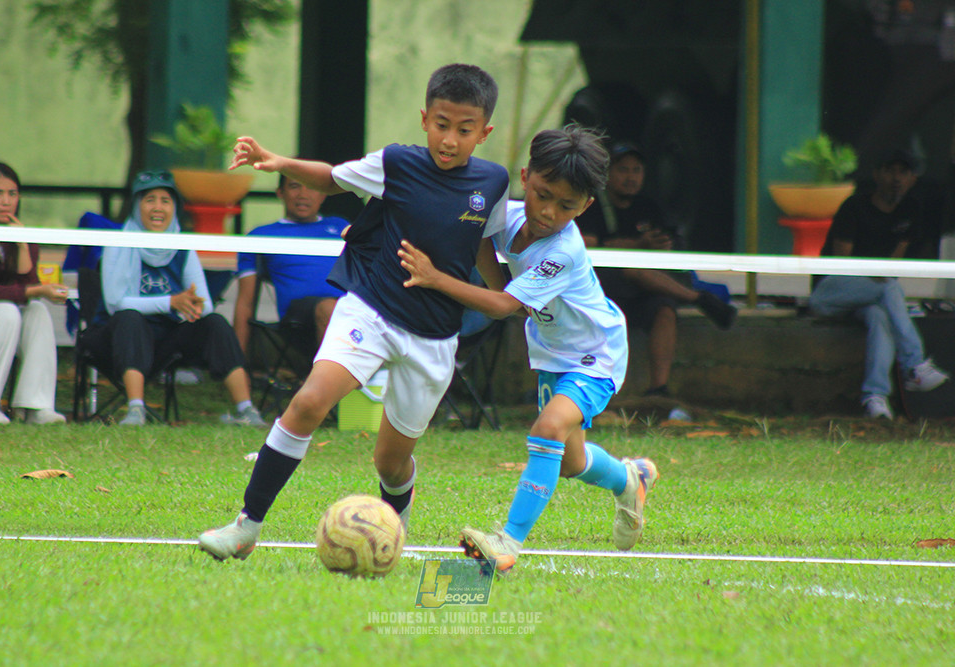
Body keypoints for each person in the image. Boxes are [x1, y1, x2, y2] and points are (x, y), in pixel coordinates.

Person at [198, 63, 510, 561]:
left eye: (465, 129)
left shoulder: (493, 182)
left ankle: (392, 535)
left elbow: (483, 247)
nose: (450, 139)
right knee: (308, 403)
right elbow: (332, 177)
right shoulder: (398, 164)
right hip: (371, 309)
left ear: (484, 132)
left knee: (390, 464)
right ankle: (246, 526)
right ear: (425, 118)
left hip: (433, 338)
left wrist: (508, 296)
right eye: (442, 125)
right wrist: (277, 161)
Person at [397, 125, 658, 575]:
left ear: (587, 207)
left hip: (597, 351)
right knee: (572, 462)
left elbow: (502, 307)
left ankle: (507, 543)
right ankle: (629, 479)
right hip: (552, 352)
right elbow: (480, 237)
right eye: (542, 194)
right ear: (525, 178)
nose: (549, 212)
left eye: (567, 206)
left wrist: (439, 278)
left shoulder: (563, 251)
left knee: (548, 427)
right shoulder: (510, 216)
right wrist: (504, 287)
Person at [84, 170, 265, 427]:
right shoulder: (118, 242)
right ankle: (136, 410)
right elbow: (116, 303)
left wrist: (190, 305)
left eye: (165, 200)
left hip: (164, 341)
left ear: (175, 208)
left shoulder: (181, 245)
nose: (158, 208)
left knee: (214, 322)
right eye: (149, 200)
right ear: (136, 206)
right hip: (115, 339)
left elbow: (205, 304)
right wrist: (170, 302)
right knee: (130, 318)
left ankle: (246, 411)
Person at [576, 142, 736, 398]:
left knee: (664, 310)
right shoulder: (593, 204)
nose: (630, 177)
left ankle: (658, 389)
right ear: (608, 175)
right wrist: (638, 245)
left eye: (636, 170)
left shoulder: (649, 206)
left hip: (645, 290)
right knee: (631, 267)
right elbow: (589, 243)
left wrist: (664, 245)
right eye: (623, 170)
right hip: (604, 288)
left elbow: (669, 242)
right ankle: (698, 299)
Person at [809, 148, 949, 419]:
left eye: (904, 172)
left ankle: (875, 397)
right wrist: (877, 280)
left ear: (912, 179)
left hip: (872, 296)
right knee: (888, 289)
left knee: (879, 316)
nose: (896, 178)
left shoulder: (911, 210)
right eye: (890, 170)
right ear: (876, 175)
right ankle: (915, 364)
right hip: (830, 294)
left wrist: (880, 281)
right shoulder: (854, 206)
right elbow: (842, 266)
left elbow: (892, 268)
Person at [0, 161, 69, 425]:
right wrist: (35, 289)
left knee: (37, 311)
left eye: (12, 194)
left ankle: (35, 407)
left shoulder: (16, 232)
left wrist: (21, 244)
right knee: (6, 312)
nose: (6, 201)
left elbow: (28, 286)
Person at [231, 174, 347, 359]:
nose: (303, 194)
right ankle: (335, 385)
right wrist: (236, 364)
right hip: (300, 318)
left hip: (350, 307)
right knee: (330, 308)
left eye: (312, 187)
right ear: (280, 193)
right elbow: (245, 303)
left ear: (324, 194)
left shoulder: (340, 227)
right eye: (294, 186)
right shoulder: (262, 235)